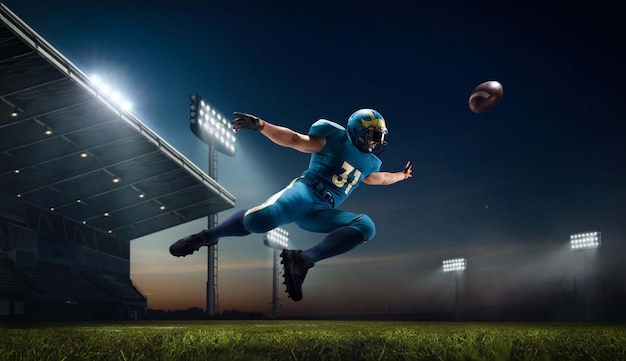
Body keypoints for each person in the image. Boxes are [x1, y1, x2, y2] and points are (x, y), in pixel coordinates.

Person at [170, 109, 412, 302]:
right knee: (260, 220)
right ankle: (207, 236)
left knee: (366, 226)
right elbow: (295, 139)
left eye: (377, 138)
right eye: (370, 136)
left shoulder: (370, 163)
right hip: (306, 192)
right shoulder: (335, 139)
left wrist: (401, 175)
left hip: (322, 211)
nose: (373, 143)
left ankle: (303, 261)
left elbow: (380, 178)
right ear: (356, 130)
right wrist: (263, 126)